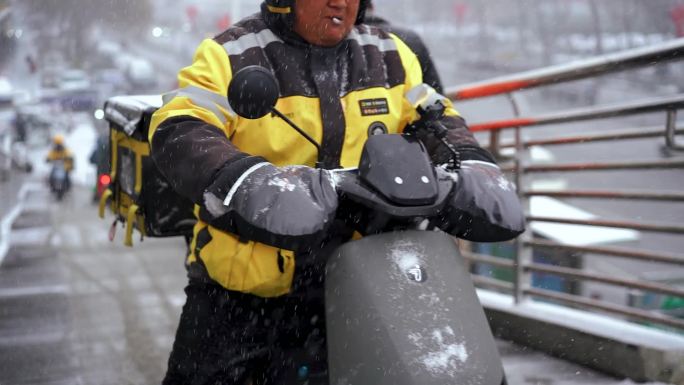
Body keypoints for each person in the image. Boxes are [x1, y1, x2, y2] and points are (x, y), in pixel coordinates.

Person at [149, 0, 524, 384]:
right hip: (242, 299)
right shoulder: (232, 55)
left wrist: (470, 160)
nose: (340, 2)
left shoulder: (390, 55)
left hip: (361, 288)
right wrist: (244, 177)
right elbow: (181, 125)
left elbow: (436, 117)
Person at [364, 0, 444, 94]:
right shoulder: (409, 38)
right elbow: (434, 87)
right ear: (372, 8)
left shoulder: (348, 41)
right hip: (410, 105)